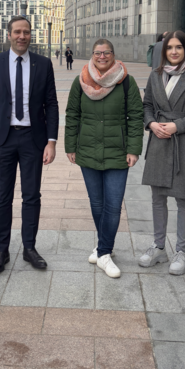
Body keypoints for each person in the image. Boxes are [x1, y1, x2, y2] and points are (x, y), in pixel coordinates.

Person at [0, 15, 59, 274]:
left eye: (26, 32)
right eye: (17, 32)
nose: (22, 36)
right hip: (2, 141)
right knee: (2, 197)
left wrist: (51, 141)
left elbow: (52, 104)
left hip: (33, 139)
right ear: (9, 34)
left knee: (32, 195)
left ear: (30, 35)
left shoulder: (43, 64)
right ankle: (1, 250)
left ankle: (29, 248)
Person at [65, 39, 143, 278]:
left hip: (117, 152)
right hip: (88, 150)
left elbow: (136, 116)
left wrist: (134, 149)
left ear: (113, 55)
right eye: (97, 53)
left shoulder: (126, 82)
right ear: (92, 55)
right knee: (97, 204)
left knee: (113, 205)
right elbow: (72, 115)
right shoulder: (80, 81)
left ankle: (104, 252)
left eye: (106, 52)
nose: (101, 56)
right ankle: (103, 247)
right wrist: (70, 146)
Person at [139, 31, 185, 275]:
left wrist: (177, 126)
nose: (173, 52)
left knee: (183, 198)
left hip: (183, 143)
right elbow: (147, 105)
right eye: (169, 47)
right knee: (158, 198)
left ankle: (182, 252)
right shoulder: (156, 74)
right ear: (164, 50)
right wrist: (151, 124)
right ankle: (159, 247)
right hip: (159, 141)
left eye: (178, 47)